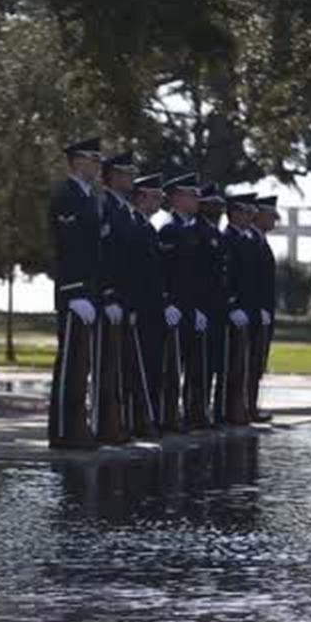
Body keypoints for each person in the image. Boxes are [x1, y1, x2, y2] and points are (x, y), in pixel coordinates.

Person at [48, 137, 104, 450]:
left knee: (81, 366)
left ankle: (75, 426)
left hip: (88, 293)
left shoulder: (88, 197)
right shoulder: (65, 195)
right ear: (76, 161)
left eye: (98, 160)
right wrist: (74, 291)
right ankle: (62, 430)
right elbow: (67, 248)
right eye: (92, 159)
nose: (97, 165)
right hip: (74, 294)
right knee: (69, 365)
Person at [157, 172, 210, 431]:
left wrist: (198, 307)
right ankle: (168, 416)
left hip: (190, 308)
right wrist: (167, 302)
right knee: (172, 368)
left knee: (192, 365)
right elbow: (163, 272)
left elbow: (195, 277)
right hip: (175, 309)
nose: (196, 200)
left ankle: (188, 414)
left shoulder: (190, 231)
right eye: (191, 194)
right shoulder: (169, 229)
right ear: (177, 197)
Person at [127, 172, 177, 439]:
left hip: (154, 309)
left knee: (154, 366)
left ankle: (150, 417)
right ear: (142, 196)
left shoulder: (147, 227)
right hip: (141, 309)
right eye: (156, 196)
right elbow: (132, 272)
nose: (159, 201)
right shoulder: (134, 225)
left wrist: (165, 302)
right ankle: (139, 419)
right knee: (140, 367)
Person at [96, 151, 138, 444]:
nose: (130, 178)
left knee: (120, 366)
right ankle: (102, 424)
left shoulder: (124, 209)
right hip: (108, 298)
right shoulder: (104, 205)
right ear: (111, 176)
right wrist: (108, 295)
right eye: (125, 173)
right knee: (105, 365)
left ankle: (116, 423)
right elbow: (102, 254)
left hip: (125, 298)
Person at [222, 192, 261, 425]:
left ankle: (241, 407)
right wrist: (233, 305)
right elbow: (226, 277)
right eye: (246, 211)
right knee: (232, 366)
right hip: (234, 312)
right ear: (234, 213)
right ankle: (229, 410)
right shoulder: (228, 238)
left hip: (247, 311)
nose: (250, 216)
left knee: (243, 365)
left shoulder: (246, 240)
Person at [196, 183, 231, 426]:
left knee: (217, 363)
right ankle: (197, 412)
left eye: (220, 205)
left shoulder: (216, 234)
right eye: (213, 204)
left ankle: (214, 410)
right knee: (201, 366)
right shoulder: (198, 231)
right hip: (203, 307)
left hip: (218, 309)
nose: (218, 209)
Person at [250, 195, 280, 423]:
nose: (274, 221)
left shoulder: (260, 241)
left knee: (257, 362)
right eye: (270, 216)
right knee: (247, 362)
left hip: (264, 313)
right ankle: (243, 406)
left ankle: (249, 405)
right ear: (257, 215)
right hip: (252, 313)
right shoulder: (250, 240)